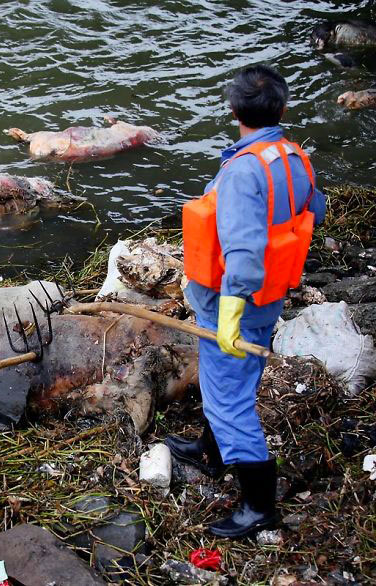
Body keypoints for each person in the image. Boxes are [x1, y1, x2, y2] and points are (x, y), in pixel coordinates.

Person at [172, 64, 327, 538]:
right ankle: (209, 452)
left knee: (230, 405)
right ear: (281, 108)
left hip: (232, 301)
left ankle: (259, 506)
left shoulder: (243, 172)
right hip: (270, 298)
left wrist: (231, 314)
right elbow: (314, 209)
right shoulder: (293, 157)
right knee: (229, 388)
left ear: (235, 109)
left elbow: (242, 254)